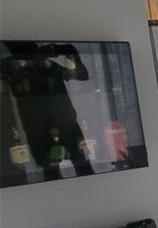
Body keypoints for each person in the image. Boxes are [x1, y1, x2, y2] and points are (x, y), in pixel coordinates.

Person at [0, 42, 94, 181]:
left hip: (51, 124)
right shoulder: (43, 65)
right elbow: (80, 74)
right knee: (70, 167)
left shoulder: (40, 65)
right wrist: (66, 51)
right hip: (55, 123)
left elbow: (80, 74)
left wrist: (66, 51)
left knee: (60, 169)